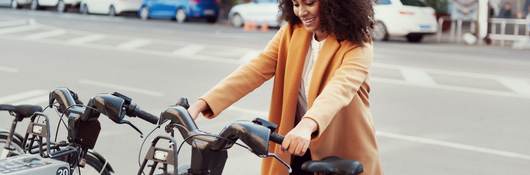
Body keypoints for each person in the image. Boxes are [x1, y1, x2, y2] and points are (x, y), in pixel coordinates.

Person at [187, 0, 382, 174]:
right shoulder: (291, 32)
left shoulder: (357, 42)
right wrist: (202, 103)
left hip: (340, 147)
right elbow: (256, 69)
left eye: (309, 3)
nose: (301, 12)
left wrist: (307, 125)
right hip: (295, 143)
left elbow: (340, 88)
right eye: (296, 4)